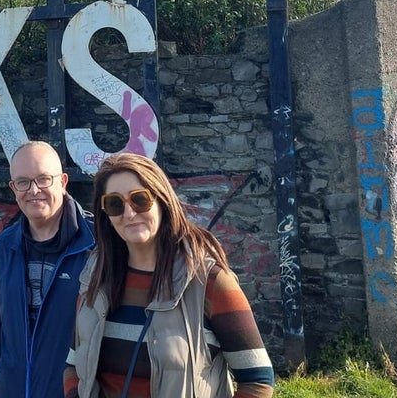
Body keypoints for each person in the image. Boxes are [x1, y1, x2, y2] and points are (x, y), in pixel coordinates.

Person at [65, 153, 274, 398]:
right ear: (106, 215)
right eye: (115, 204)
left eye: (140, 199)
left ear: (162, 201)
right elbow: (73, 364)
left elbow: (257, 381)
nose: (129, 213)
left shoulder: (209, 282)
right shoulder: (94, 277)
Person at [0, 140, 95, 397]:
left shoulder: (97, 243)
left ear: (63, 181)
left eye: (44, 179)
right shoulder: (4, 246)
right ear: (13, 188)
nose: (34, 190)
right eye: (23, 182)